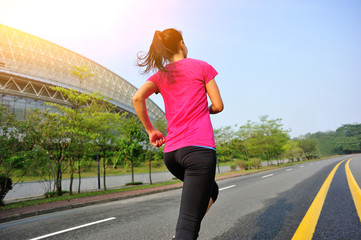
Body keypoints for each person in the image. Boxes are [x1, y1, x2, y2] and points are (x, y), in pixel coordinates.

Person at [133, 28, 224, 240]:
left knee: (212, 191)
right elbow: (218, 106)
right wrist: (204, 110)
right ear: (181, 43)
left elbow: (137, 98)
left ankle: (185, 231)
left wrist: (151, 130)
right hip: (198, 152)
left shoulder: (161, 75)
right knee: (187, 228)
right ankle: (185, 232)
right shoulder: (201, 66)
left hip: (172, 154)